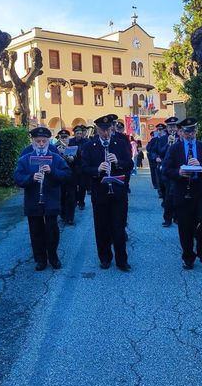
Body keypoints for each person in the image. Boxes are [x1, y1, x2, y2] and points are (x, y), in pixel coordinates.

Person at [14, 126, 72, 271]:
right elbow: (17, 178)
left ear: (48, 141)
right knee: (36, 231)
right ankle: (40, 259)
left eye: (44, 141)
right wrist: (31, 178)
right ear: (33, 141)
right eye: (38, 141)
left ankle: (53, 257)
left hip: (51, 199)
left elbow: (67, 175)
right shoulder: (25, 159)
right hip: (33, 200)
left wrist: (52, 171)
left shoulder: (56, 158)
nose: (41, 144)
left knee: (52, 230)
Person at [81, 114, 134, 272]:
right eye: (102, 130)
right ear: (97, 130)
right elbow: (84, 168)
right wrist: (97, 169)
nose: (106, 133)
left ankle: (121, 260)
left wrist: (118, 162)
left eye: (108, 130)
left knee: (119, 227)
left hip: (118, 193)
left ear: (112, 128)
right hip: (100, 193)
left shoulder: (120, 143)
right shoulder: (89, 146)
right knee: (101, 227)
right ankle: (105, 258)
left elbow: (130, 164)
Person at [163, 118, 202, 269]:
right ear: (181, 132)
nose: (190, 134)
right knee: (185, 227)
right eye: (187, 132)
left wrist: (201, 165)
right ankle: (188, 257)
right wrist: (179, 172)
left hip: (201, 191)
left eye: (192, 131)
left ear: (196, 131)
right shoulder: (174, 149)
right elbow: (166, 170)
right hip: (182, 192)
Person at [156, 116, 180, 227]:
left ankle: (177, 217)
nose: (172, 129)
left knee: (177, 194)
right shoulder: (162, 139)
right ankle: (167, 219)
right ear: (167, 128)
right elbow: (160, 152)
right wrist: (168, 144)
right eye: (170, 127)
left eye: (174, 126)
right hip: (166, 170)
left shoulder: (181, 137)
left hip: (178, 169)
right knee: (168, 195)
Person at [55, 129, 77, 224]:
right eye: (62, 137)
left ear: (69, 138)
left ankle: (70, 217)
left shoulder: (73, 147)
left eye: (66, 137)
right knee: (61, 196)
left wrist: (72, 158)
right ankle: (63, 214)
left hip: (71, 176)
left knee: (71, 196)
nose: (64, 139)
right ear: (59, 138)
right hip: (60, 176)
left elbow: (78, 160)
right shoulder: (54, 148)